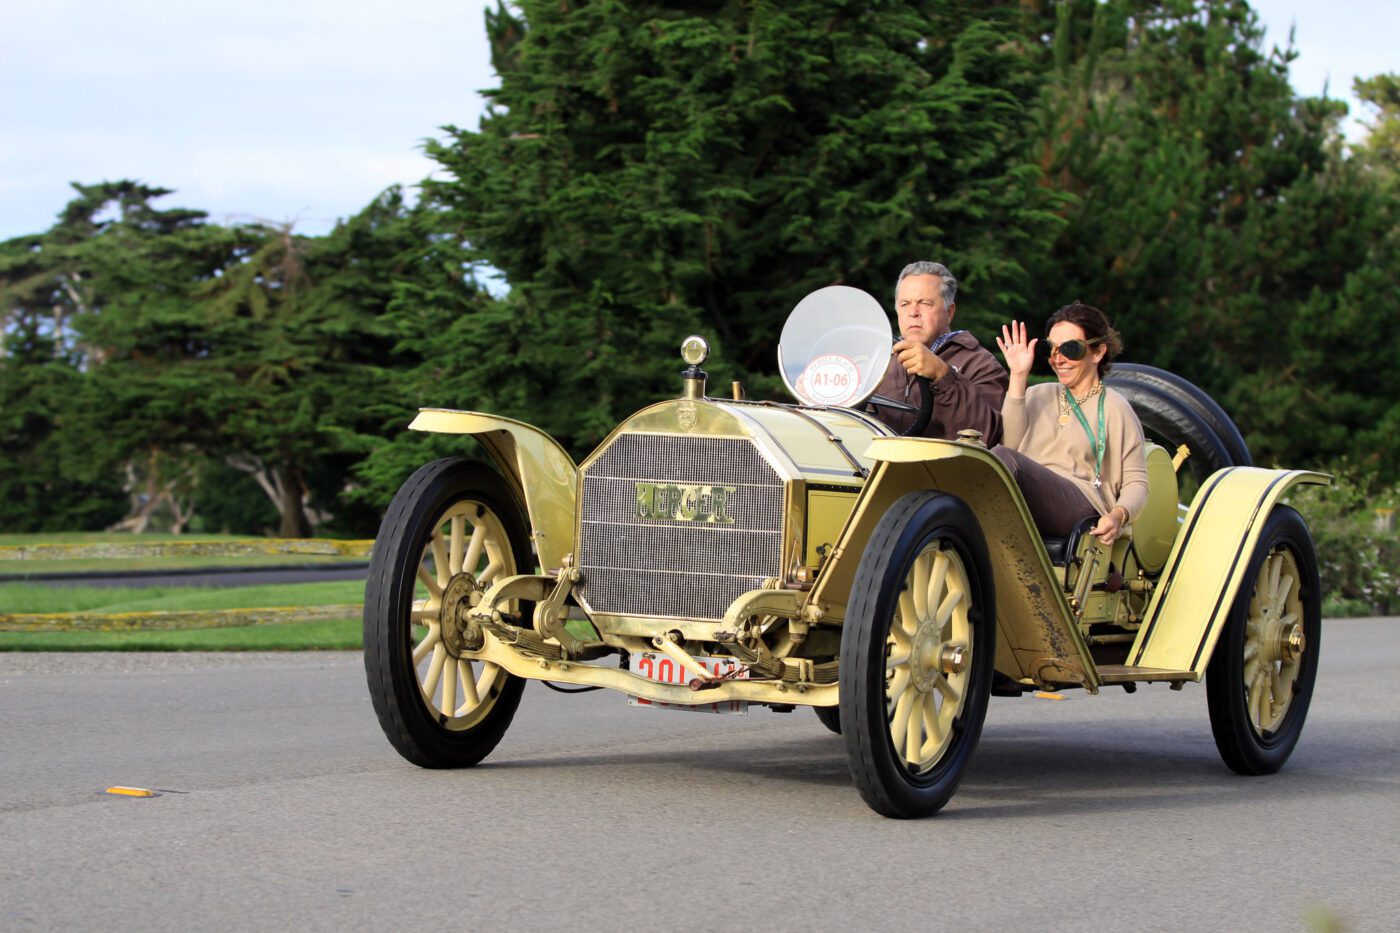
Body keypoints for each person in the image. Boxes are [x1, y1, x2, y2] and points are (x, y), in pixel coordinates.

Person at [993, 301, 1147, 546]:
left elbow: (1136, 482)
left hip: (1081, 506)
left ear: (1098, 352)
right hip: (1026, 494)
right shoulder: (1036, 394)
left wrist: (1119, 515)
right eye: (1050, 349)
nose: (1058, 359)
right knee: (986, 456)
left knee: (1002, 458)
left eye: (1070, 349)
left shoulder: (1115, 408)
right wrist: (1018, 376)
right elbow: (1009, 445)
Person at [869, 261, 1007, 442]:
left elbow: (985, 438)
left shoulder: (981, 364)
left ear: (949, 312)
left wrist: (943, 375)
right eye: (904, 304)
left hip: (941, 468)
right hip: (874, 466)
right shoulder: (877, 361)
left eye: (924, 303)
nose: (913, 312)